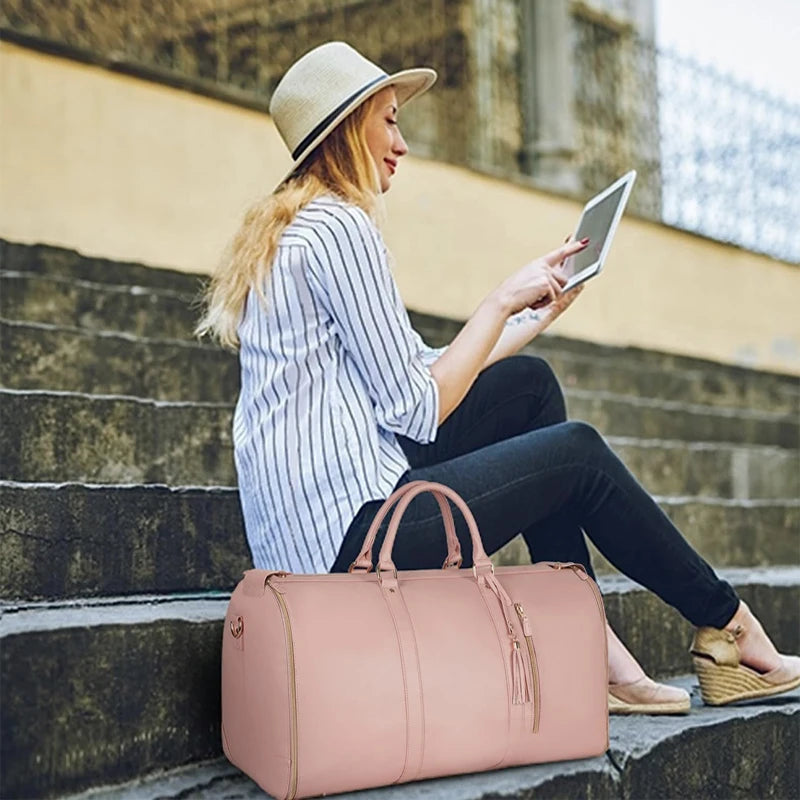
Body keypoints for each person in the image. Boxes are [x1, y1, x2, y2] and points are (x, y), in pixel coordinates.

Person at [196, 41, 800, 714]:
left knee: (528, 386)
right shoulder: (339, 228)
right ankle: (730, 628)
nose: (401, 142)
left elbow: (418, 369)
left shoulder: (297, 229)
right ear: (348, 128)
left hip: (331, 533)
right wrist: (499, 299)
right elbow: (418, 408)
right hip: (355, 543)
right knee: (578, 453)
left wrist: (532, 314)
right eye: (389, 120)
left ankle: (589, 648)